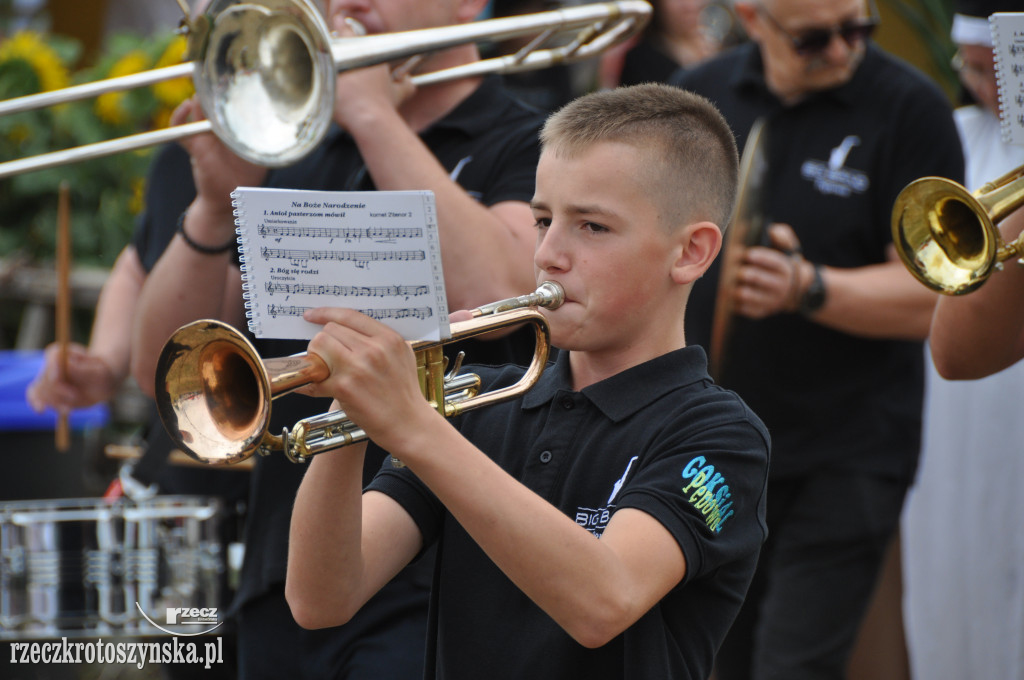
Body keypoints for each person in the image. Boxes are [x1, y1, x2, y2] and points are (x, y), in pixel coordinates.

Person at [285, 83, 771, 680]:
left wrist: (411, 425)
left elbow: (604, 602)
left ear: (691, 252)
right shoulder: (477, 402)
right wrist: (352, 413)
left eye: (591, 227)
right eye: (543, 219)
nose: (547, 254)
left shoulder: (721, 435)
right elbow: (321, 599)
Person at [130, 0, 548, 676]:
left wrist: (372, 114)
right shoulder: (300, 142)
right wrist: (213, 206)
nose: (345, 7)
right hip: (287, 558)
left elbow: (500, 295)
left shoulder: (530, 139)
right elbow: (163, 365)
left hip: (441, 568)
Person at [669, 0, 965, 677]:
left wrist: (809, 288)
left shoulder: (910, 107)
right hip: (718, 446)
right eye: (813, 38)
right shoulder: (702, 93)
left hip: (848, 451)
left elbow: (936, 298)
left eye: (856, 27)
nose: (842, 50)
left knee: (792, 667)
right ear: (753, 19)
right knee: (712, 659)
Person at [901, 3, 1024, 679]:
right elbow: (955, 353)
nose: (982, 86)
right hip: (967, 410)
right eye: (971, 70)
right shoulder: (957, 135)